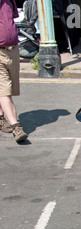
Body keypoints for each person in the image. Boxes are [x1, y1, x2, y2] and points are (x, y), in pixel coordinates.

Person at [0, 0, 28, 142]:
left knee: (9, 88)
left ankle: (0, 117)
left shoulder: (9, 1)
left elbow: (11, 19)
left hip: (12, 50)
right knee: (5, 90)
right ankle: (16, 127)